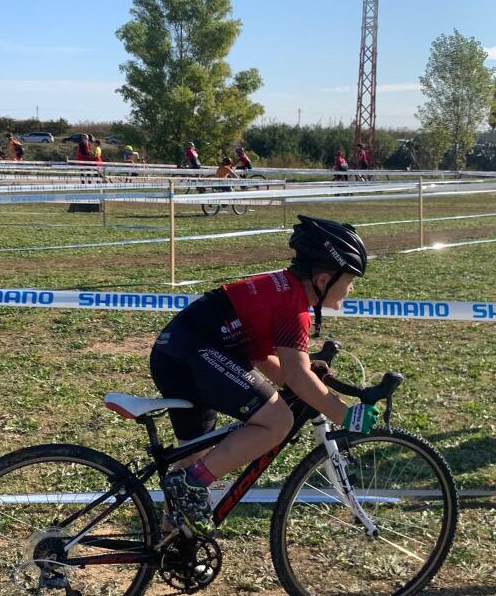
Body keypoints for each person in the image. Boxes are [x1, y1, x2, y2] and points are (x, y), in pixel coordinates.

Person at [151, 216, 377, 536]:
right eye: (350, 279)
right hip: (193, 354)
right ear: (325, 280)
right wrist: (346, 415)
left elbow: (265, 359)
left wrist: (308, 382)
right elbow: (297, 377)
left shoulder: (281, 287)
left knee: (194, 457)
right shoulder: (293, 304)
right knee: (277, 421)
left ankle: (171, 545)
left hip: (179, 352)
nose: (352, 288)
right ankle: (190, 485)